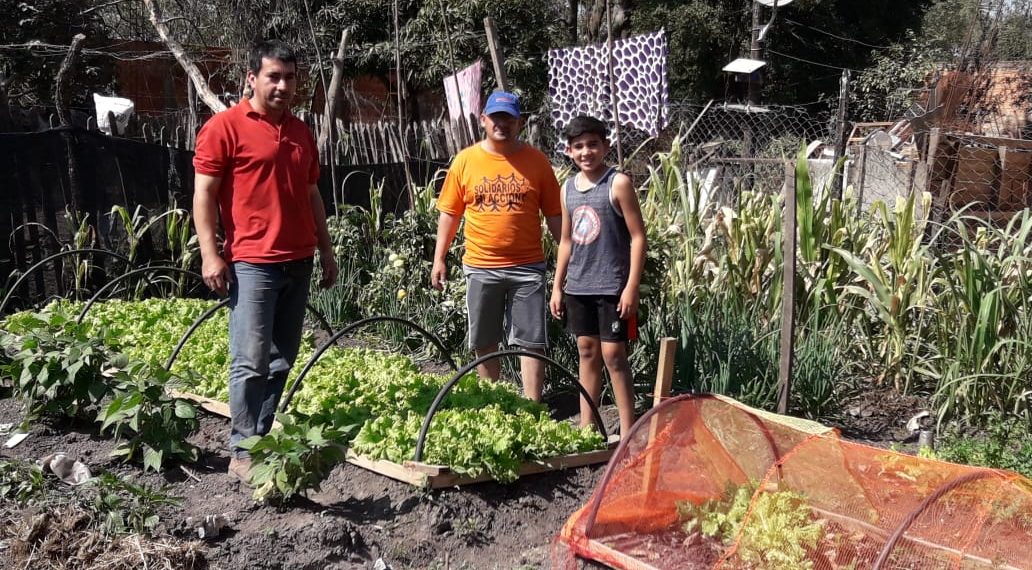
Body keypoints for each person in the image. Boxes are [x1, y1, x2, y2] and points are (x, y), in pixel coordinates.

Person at [192, 40, 337, 482]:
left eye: (290, 78)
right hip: (253, 261)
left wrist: (326, 248)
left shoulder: (300, 132)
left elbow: (312, 192)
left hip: (299, 258)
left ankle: (261, 436)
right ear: (251, 79)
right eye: (273, 76)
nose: (283, 86)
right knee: (250, 359)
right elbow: (205, 194)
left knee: (282, 359)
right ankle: (242, 448)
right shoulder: (225, 127)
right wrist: (210, 254)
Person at [431, 91, 562, 401]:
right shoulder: (465, 161)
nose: (502, 124)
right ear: (483, 120)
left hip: (528, 266)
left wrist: (570, 259)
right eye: (496, 117)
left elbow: (555, 215)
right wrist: (439, 258)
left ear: (520, 122)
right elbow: (450, 214)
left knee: (531, 342)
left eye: (509, 118)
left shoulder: (537, 161)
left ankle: (533, 408)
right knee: (485, 339)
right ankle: (493, 403)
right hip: (480, 266)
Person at [549, 115, 646, 437]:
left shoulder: (617, 183)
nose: (586, 152)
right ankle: (588, 428)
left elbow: (637, 237)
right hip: (579, 285)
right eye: (578, 146)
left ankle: (629, 431)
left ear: (605, 145)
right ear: (569, 150)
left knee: (614, 356)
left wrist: (631, 287)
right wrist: (557, 287)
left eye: (593, 144)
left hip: (612, 287)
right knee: (587, 352)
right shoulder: (568, 190)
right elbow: (565, 241)